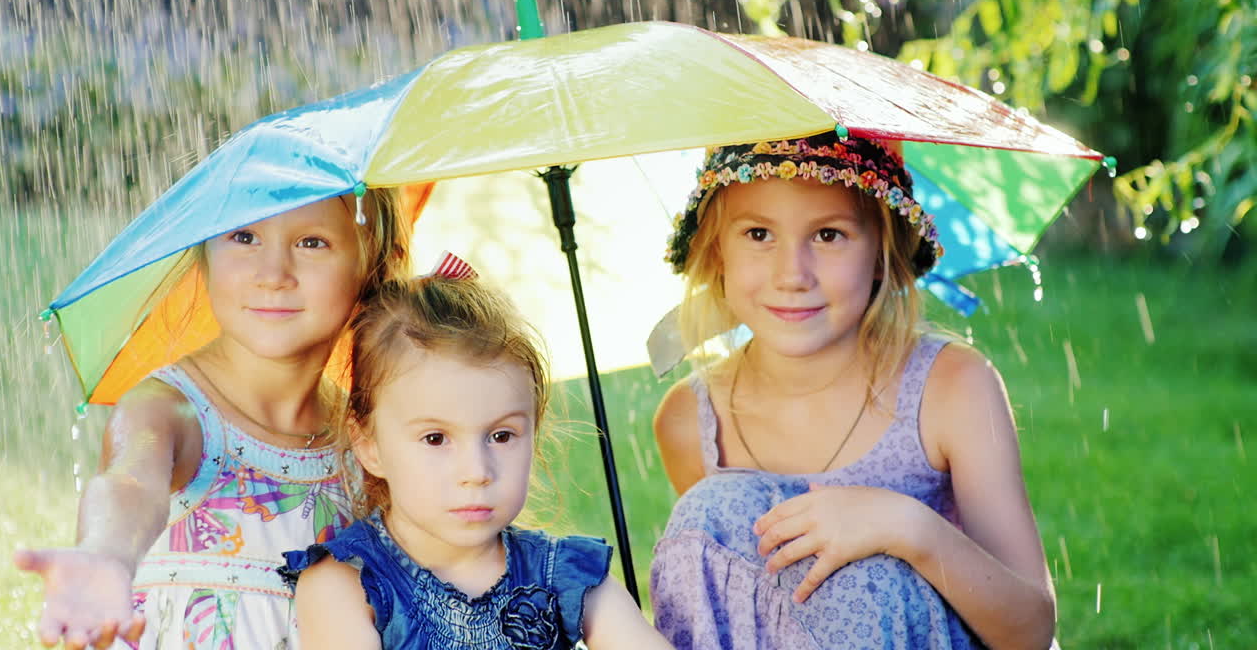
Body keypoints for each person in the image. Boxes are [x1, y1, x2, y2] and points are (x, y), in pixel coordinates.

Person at [649, 132, 1056, 649]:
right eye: (757, 234)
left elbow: (1031, 631)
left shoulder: (950, 388)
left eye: (828, 235)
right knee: (709, 511)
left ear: (883, 255)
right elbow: (729, 612)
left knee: (869, 575)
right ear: (717, 252)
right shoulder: (690, 419)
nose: (792, 274)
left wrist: (906, 526)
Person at [13, 188, 413, 650]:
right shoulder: (170, 410)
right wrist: (106, 554)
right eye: (244, 236)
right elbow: (130, 484)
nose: (273, 275)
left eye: (312, 243)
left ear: (376, 264)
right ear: (203, 255)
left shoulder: (366, 436)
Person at [279, 269, 671, 650]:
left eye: (501, 436)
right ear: (369, 446)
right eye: (435, 438)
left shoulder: (565, 574)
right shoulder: (346, 585)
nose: (477, 472)